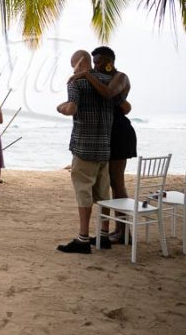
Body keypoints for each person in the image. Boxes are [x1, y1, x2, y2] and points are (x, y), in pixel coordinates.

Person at [72, 46, 137, 243]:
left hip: (119, 133)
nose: (96, 66)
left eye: (99, 62)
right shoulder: (99, 77)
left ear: (109, 62)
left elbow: (109, 94)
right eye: (94, 62)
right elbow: (123, 105)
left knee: (117, 183)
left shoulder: (120, 77)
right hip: (105, 134)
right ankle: (115, 230)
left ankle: (123, 231)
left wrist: (85, 75)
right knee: (108, 183)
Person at [56, 50, 114, 254]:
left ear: (80, 63)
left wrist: (60, 107)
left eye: (73, 64)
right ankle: (105, 236)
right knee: (104, 193)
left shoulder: (76, 82)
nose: (72, 68)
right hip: (104, 147)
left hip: (84, 147)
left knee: (83, 192)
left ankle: (83, 239)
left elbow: (72, 108)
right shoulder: (108, 81)